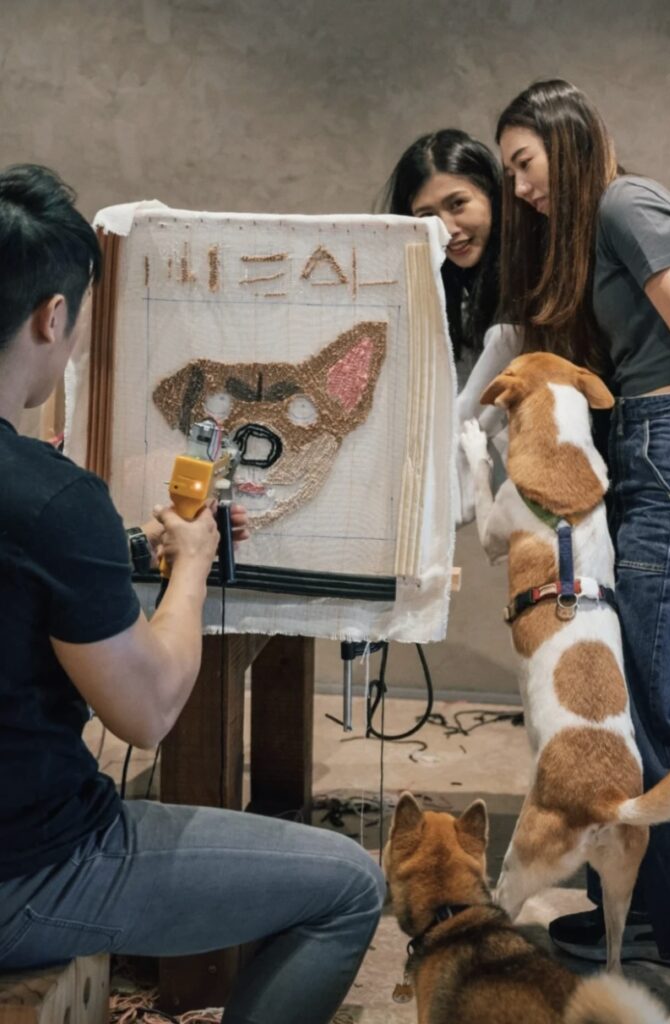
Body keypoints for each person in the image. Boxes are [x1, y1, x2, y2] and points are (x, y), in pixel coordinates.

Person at [0, 164, 385, 1024]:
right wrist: (192, 565)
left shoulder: (53, 511)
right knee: (350, 886)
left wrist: (125, 553)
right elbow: (147, 710)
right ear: (52, 317)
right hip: (28, 872)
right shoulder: (50, 499)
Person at [495, 79, 670, 964]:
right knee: (645, 676)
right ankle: (645, 914)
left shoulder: (624, 202)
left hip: (663, 435)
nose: (521, 186)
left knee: (659, 683)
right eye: (510, 173)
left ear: (566, 140)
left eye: (524, 163)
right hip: (642, 436)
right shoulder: (596, 224)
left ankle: (664, 925)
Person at [384, 129, 519, 520]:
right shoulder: (450, 288)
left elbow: (469, 415)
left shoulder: (529, 274)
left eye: (458, 204)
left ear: (492, 193)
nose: (446, 228)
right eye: (426, 217)